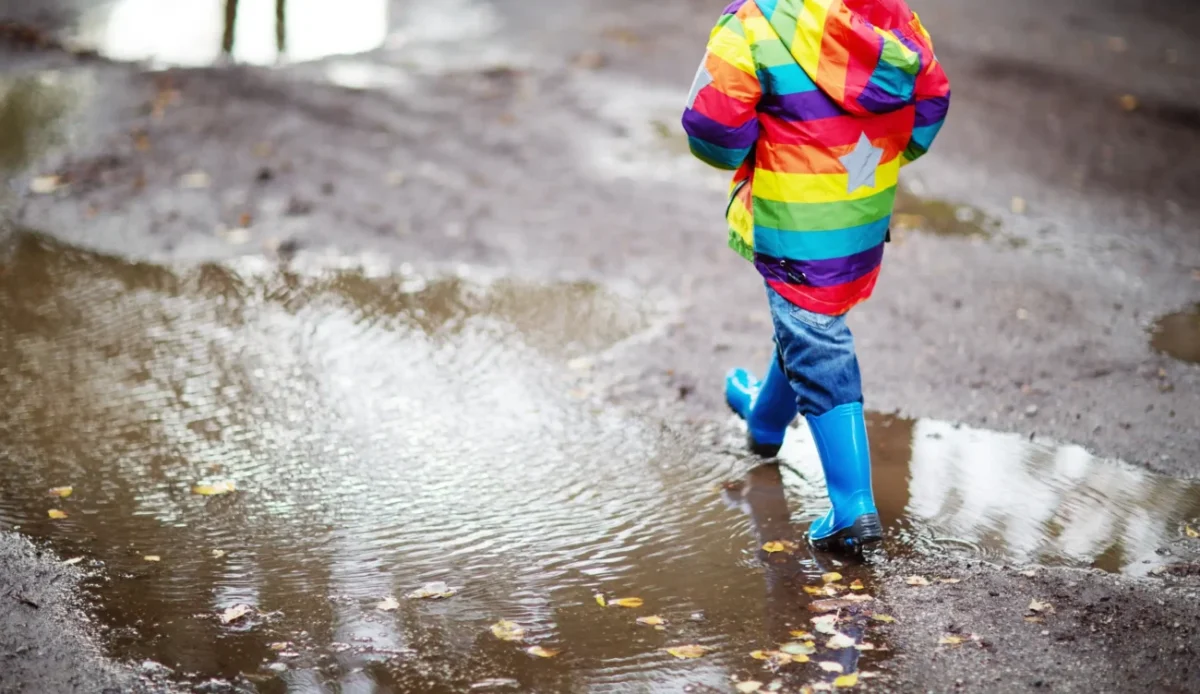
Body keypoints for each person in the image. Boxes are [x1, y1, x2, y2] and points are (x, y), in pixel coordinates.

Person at [682, 0, 950, 552]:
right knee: (806, 317)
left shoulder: (753, 23)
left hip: (793, 217)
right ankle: (764, 422)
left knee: (817, 336)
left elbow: (712, 129)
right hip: (859, 212)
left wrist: (769, 143)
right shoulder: (892, 16)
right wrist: (875, 159)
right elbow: (930, 101)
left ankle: (852, 505)